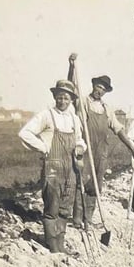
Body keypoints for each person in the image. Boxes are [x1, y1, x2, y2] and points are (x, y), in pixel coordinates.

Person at [66, 56, 134, 227]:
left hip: (101, 152)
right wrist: (71, 67)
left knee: (96, 184)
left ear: (106, 92)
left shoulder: (107, 109)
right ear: (93, 86)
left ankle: (88, 219)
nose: (100, 90)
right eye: (98, 86)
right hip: (84, 149)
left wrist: (132, 148)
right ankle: (77, 219)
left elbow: (119, 130)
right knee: (81, 183)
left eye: (103, 89)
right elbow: (71, 87)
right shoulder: (83, 102)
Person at [19, 79, 87, 252]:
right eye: (59, 97)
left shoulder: (74, 118)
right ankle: (52, 245)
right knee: (52, 206)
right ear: (55, 97)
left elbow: (80, 140)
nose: (62, 101)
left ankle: (60, 243)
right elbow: (24, 133)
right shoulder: (46, 115)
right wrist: (44, 148)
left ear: (71, 99)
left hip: (71, 167)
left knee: (65, 207)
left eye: (66, 98)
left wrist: (80, 148)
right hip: (53, 166)